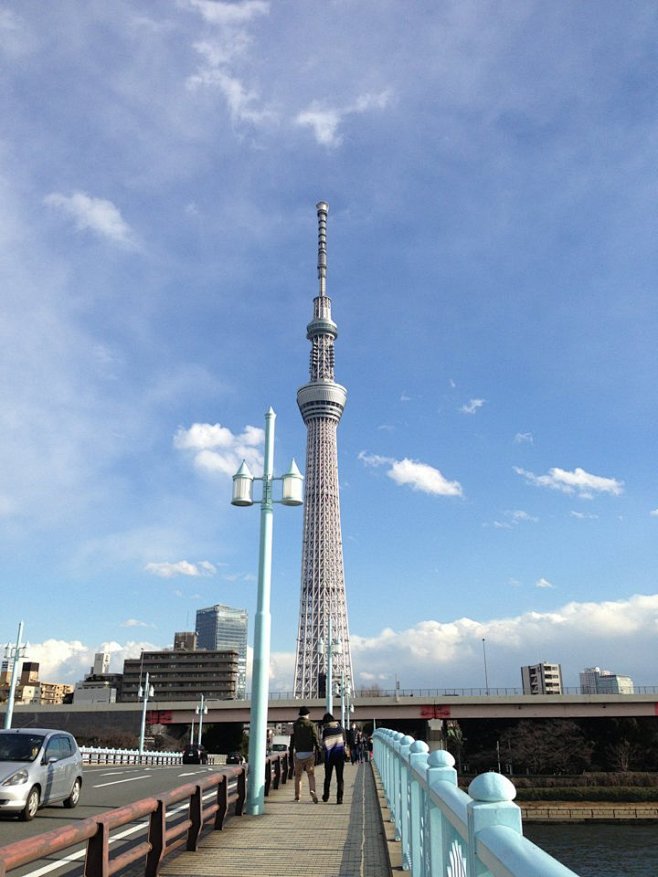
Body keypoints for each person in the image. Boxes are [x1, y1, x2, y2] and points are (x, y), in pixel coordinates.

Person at [289, 706, 320, 803]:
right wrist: (318, 748)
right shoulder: (311, 724)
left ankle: (297, 796)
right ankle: (312, 791)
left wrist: (291, 750)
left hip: (298, 754)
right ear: (307, 714)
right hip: (309, 753)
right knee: (311, 774)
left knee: (298, 776)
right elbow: (315, 737)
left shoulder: (295, 725)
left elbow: (292, 739)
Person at [321, 712, 347, 804]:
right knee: (340, 778)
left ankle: (326, 796)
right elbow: (344, 743)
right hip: (339, 757)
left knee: (328, 777)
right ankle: (339, 798)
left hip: (329, 757)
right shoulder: (341, 729)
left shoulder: (326, 731)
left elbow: (324, 745)